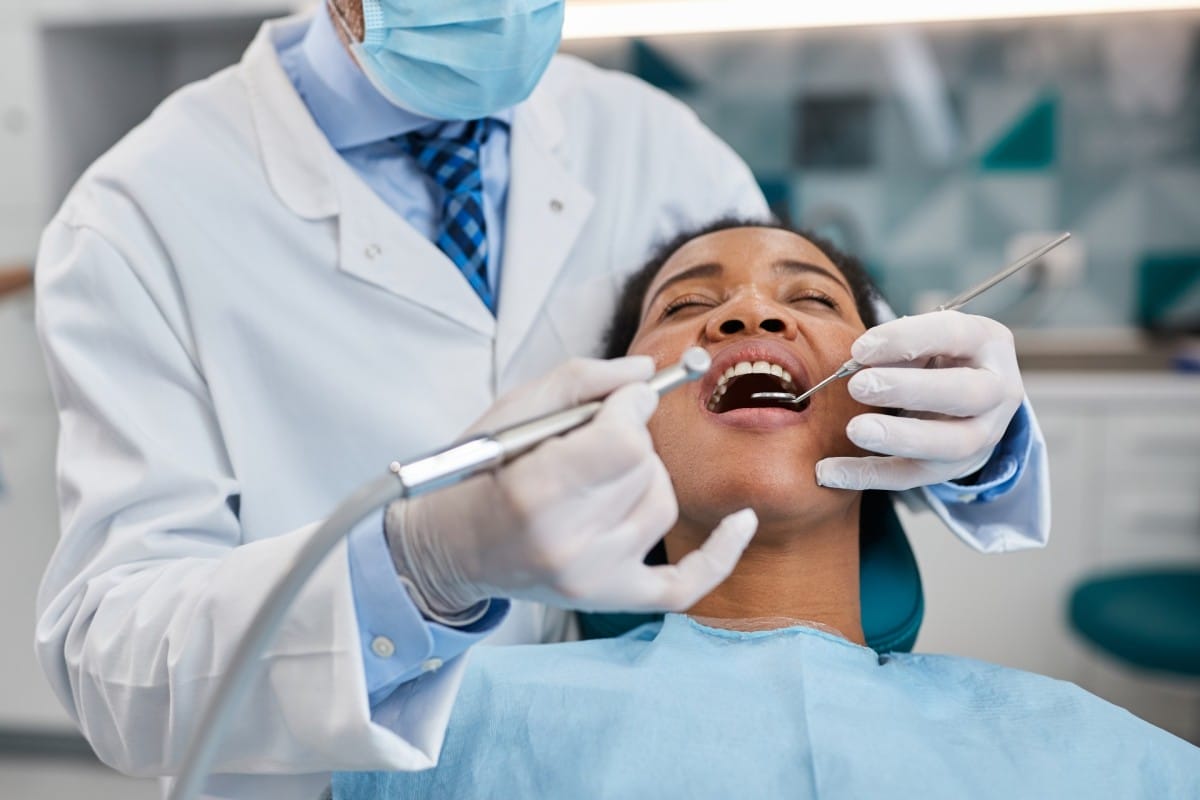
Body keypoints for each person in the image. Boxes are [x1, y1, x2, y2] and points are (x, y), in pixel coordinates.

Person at [33, 2, 1046, 798]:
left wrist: (978, 436)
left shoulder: (652, 139)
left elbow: (819, 379)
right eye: (688, 302)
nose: (743, 318)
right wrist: (423, 564)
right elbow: (113, 661)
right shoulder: (139, 218)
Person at [332, 219, 1199, 799]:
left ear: (893, 405)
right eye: (686, 306)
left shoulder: (1092, 757)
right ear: (610, 413)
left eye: (813, 299)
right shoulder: (434, 736)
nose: (750, 311)